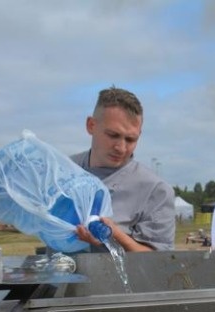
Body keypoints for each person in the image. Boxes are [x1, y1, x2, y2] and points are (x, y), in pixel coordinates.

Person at [71, 87, 175, 252]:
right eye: (113, 135)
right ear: (91, 125)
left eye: (130, 139)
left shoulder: (155, 191)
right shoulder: (62, 171)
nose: (121, 147)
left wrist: (114, 236)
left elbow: (158, 262)